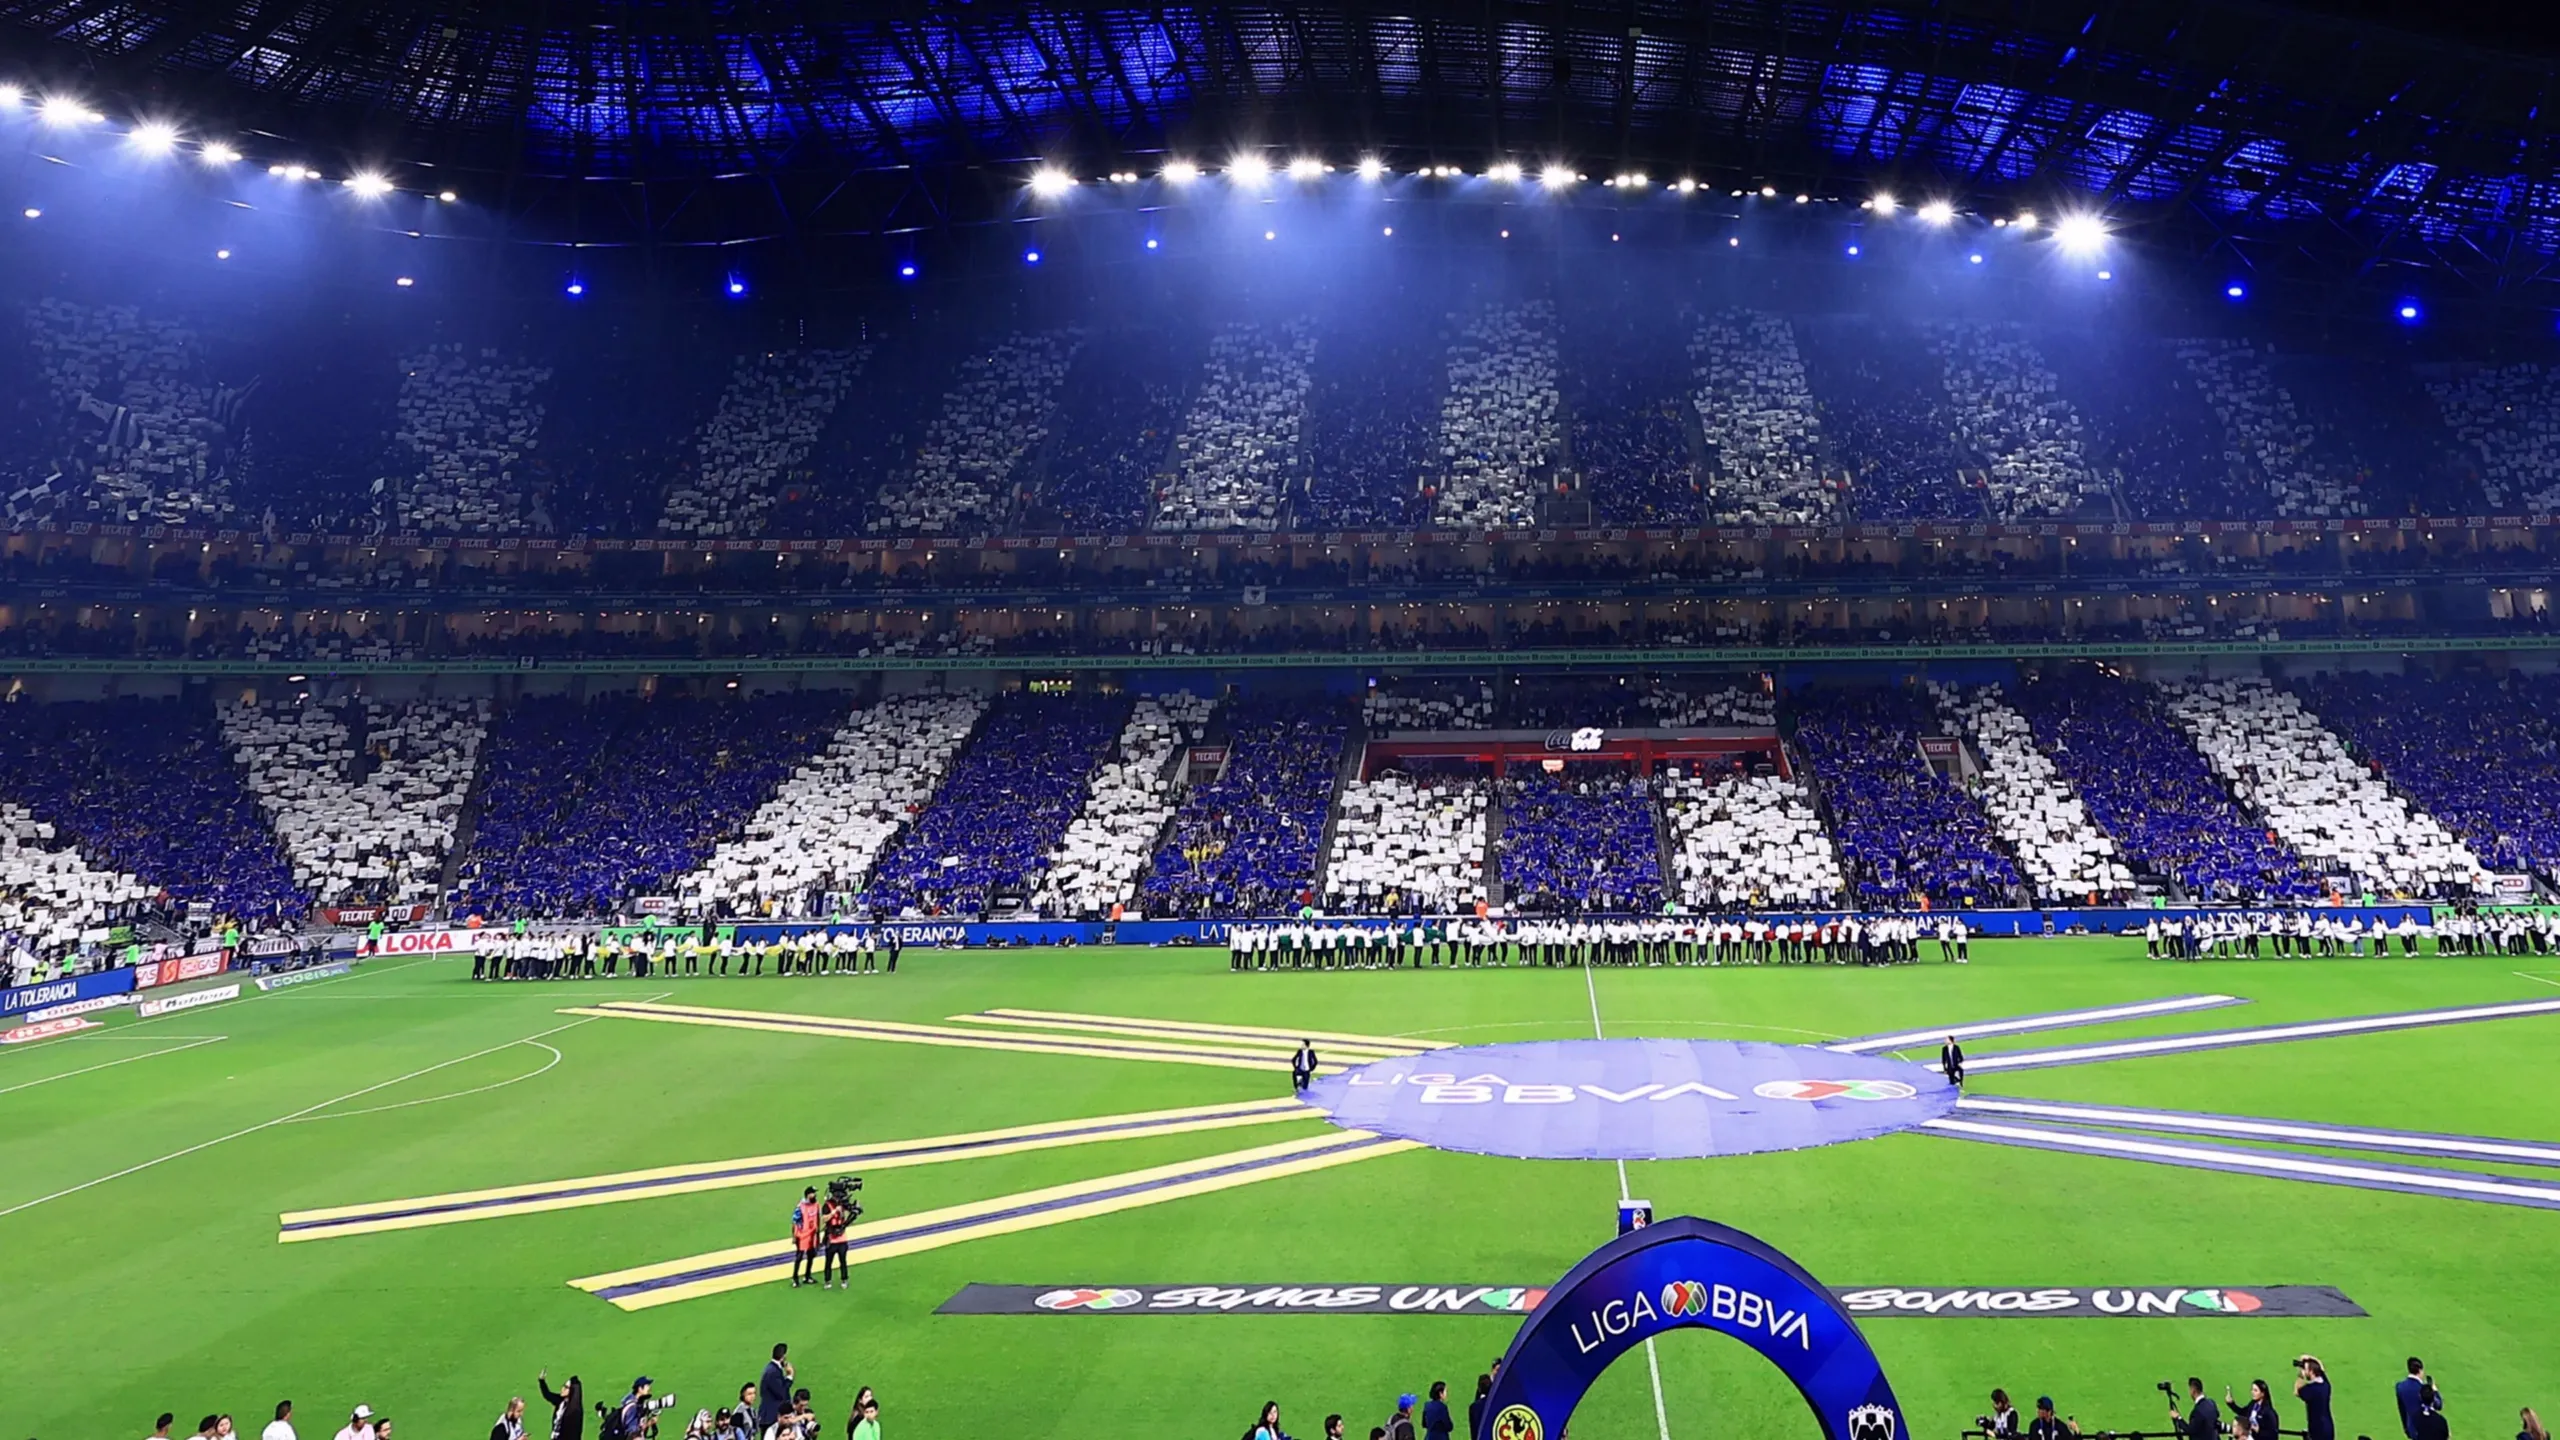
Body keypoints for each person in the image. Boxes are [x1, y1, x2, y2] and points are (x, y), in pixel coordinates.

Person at [2398, 1358, 2438, 1440]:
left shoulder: (2400, 1387)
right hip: (2427, 1429)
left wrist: (2406, 1428)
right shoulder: (2423, 1389)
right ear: (2420, 1370)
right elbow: (2438, 1405)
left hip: (2412, 1429)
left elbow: (2402, 1409)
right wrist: (2434, 1391)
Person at [2295, 1356, 2334, 1440]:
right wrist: (2310, 1358)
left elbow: (2296, 1391)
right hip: (2328, 1427)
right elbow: (2321, 1367)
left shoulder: (2311, 1389)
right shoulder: (2325, 1385)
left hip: (2317, 1429)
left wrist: (2300, 1375)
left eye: (2305, 1369)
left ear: (2311, 1371)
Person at [759, 1345, 795, 1434]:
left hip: (770, 1416)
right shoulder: (773, 1372)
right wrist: (790, 1376)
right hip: (771, 1417)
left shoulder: (772, 1369)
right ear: (783, 1356)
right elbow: (781, 1393)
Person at [790, 1188, 822, 1288]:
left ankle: (807, 1276)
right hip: (802, 1235)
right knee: (799, 1257)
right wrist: (794, 1236)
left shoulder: (816, 1204)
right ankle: (795, 1278)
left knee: (811, 1255)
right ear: (808, 1195)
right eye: (813, 1193)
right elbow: (794, 1222)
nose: (815, 1195)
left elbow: (817, 1218)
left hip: (812, 1235)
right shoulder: (800, 1207)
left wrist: (818, 1233)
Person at [539, 1373, 584, 1440]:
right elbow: (548, 1395)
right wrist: (542, 1381)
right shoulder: (561, 1401)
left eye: (566, 1387)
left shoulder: (575, 1411)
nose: (562, 1389)